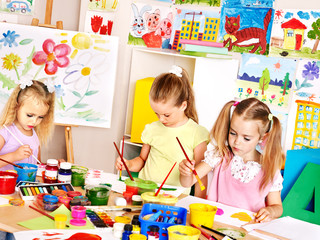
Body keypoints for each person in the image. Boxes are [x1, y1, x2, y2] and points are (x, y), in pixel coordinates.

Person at [179, 98, 285, 222]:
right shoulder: (220, 155)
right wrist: (185, 173)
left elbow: (278, 207)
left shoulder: (269, 168)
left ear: (262, 137)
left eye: (246, 138)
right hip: (215, 225)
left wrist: (271, 211)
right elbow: (187, 182)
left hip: (248, 231)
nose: (237, 142)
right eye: (233, 133)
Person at [116, 65, 209, 197]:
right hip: (145, 191)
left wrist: (198, 202)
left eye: (166, 115)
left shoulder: (197, 133)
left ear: (183, 105)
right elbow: (142, 160)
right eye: (156, 114)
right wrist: (128, 164)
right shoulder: (152, 129)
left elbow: (200, 175)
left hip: (174, 198)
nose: (161, 119)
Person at [0, 80, 55, 170]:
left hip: (26, 184)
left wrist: (53, 166)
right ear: (16, 106)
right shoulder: (4, 131)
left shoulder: (35, 135)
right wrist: (14, 156)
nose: (34, 121)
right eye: (30, 115)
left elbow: (36, 165)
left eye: (40, 117)